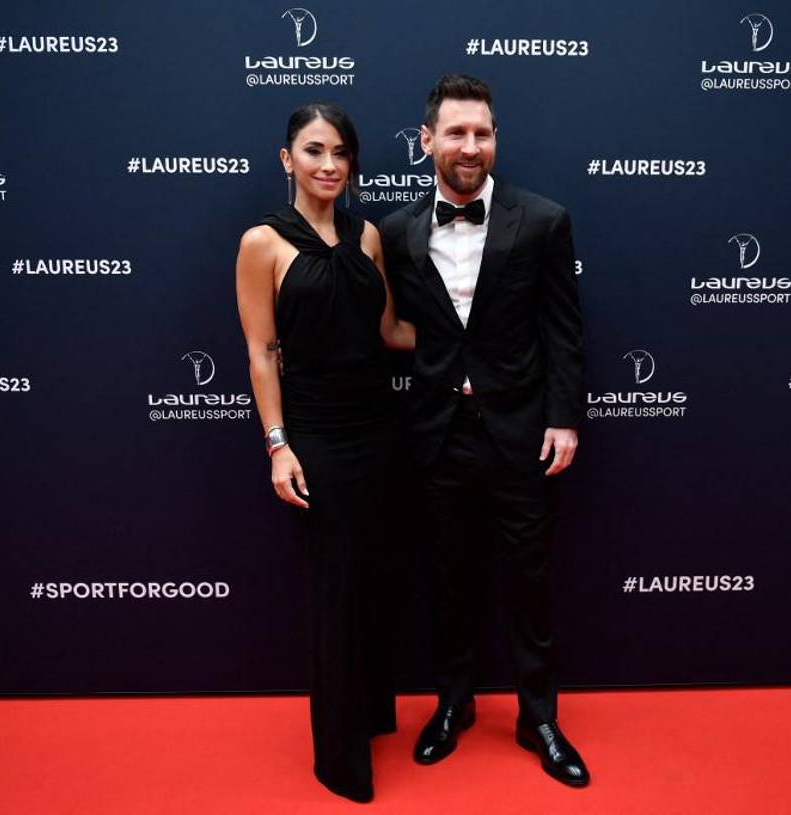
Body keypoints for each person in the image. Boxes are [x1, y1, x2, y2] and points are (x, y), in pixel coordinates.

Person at [379, 75, 588, 787]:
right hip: (438, 434)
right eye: (458, 132)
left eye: (484, 132)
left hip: (521, 434)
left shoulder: (544, 220)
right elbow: (390, 328)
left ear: (495, 138)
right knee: (448, 580)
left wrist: (564, 417)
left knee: (528, 582)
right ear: (427, 139)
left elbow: (563, 330)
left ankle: (539, 717)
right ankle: (453, 703)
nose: (472, 146)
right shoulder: (397, 232)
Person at [235, 102, 414, 803]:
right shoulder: (262, 243)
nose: (329, 164)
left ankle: (369, 714)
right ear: (287, 159)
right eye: (314, 151)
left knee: (372, 579)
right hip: (316, 435)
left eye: (341, 152)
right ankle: (340, 759)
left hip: (378, 428)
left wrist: (473, 347)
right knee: (334, 588)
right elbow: (259, 352)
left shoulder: (367, 234)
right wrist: (278, 445)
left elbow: (392, 330)